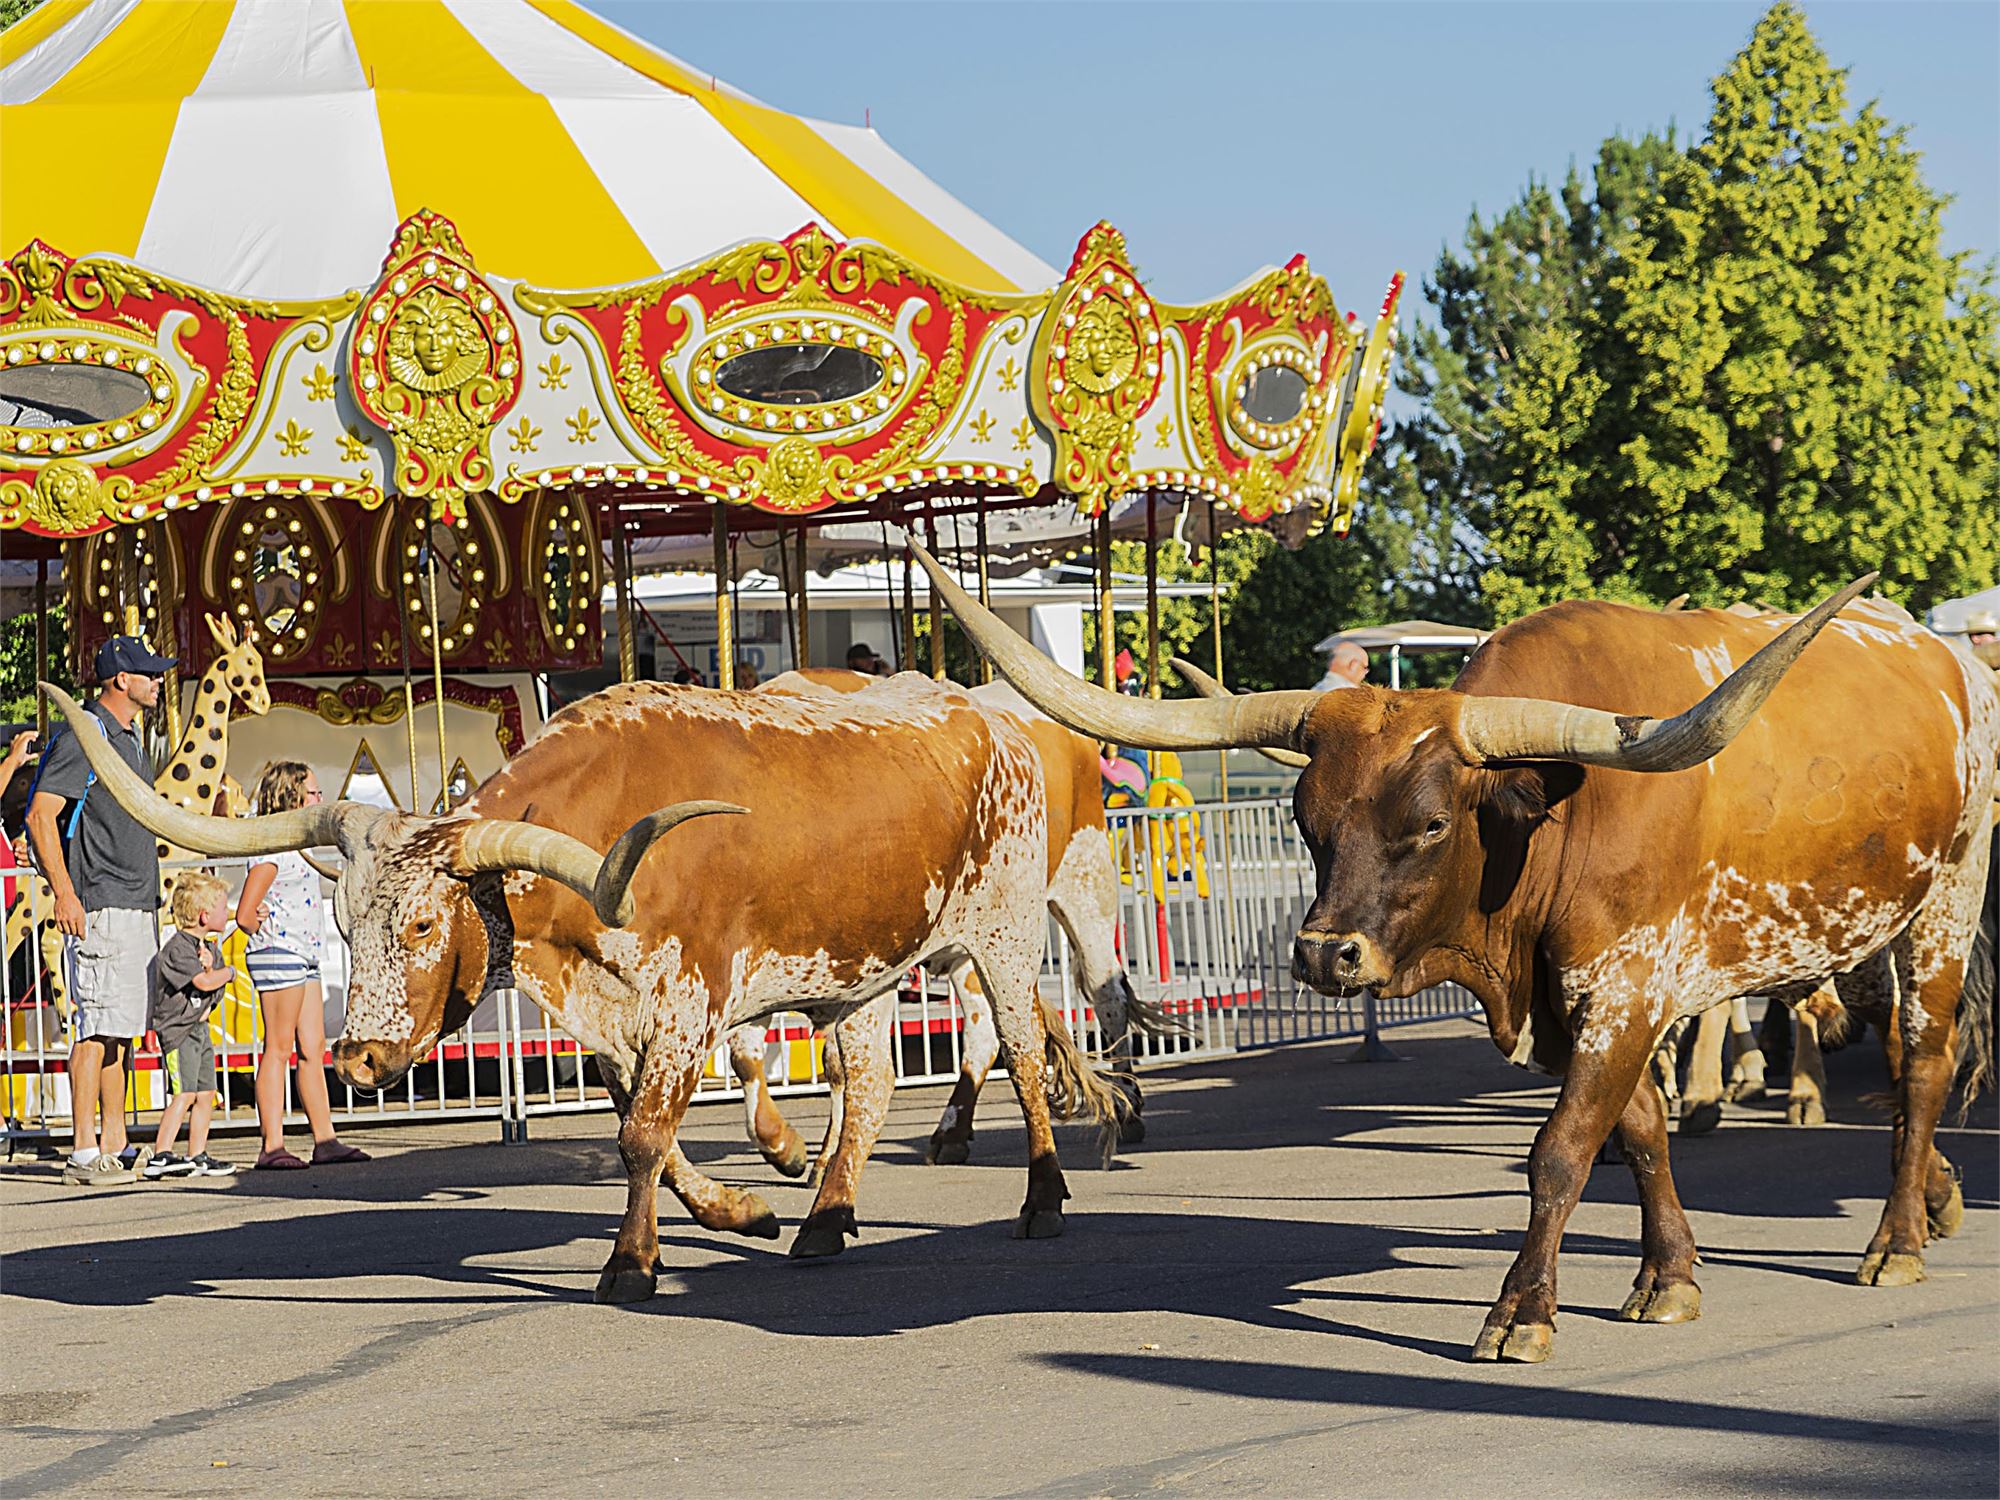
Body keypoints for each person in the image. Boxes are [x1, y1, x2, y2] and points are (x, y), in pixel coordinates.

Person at [27, 636, 178, 1187]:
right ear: (121, 680)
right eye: (150, 674)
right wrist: (65, 893)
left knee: (118, 1030)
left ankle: (115, 1140)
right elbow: (43, 815)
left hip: (135, 902)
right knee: (93, 1027)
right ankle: (83, 1150)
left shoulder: (130, 741)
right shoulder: (84, 736)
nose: (159, 682)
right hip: (100, 901)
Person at [236, 762, 367, 1170]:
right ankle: (271, 1144)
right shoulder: (273, 847)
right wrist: (267, 929)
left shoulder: (296, 845)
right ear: (292, 797)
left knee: (312, 1049)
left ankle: (324, 1138)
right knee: (277, 1048)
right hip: (281, 951)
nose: (319, 799)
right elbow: (245, 912)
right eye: (312, 793)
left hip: (304, 953)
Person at [142, 871, 237, 1179]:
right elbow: (205, 982)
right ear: (204, 914)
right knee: (183, 1093)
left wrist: (216, 969)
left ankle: (197, 1153)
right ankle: (161, 1154)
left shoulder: (208, 948)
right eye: (223, 908)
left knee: (206, 1093)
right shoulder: (177, 949)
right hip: (179, 1032)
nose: (227, 913)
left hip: (199, 1029)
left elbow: (214, 988)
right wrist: (229, 972)